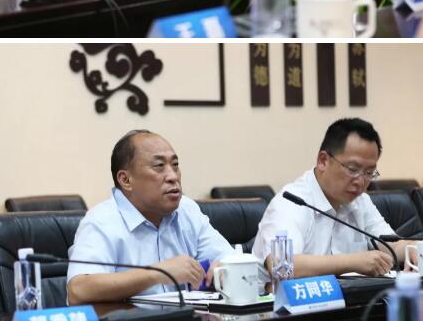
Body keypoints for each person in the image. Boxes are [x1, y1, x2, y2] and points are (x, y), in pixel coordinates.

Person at [67, 130, 234, 305]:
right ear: (126, 180)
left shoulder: (187, 210)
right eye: (159, 166)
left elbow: (231, 259)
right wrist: (159, 273)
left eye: (175, 165)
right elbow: (79, 290)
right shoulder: (101, 221)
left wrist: (226, 267)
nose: (173, 176)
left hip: (189, 320)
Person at [253, 118, 412, 278]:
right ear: (323, 161)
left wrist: (415, 249)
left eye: (369, 172)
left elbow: (391, 246)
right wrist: (353, 262)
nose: (361, 181)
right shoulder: (292, 202)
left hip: (352, 294)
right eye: (353, 169)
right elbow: (281, 266)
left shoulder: (360, 200)